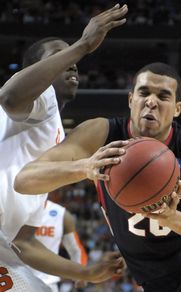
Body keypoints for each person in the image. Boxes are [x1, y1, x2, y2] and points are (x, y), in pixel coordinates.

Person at [15, 62, 181, 291]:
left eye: (163, 96)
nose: (151, 102)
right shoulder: (101, 134)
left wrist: (171, 218)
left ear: (177, 109)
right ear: (130, 99)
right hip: (151, 282)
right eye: (144, 92)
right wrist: (85, 167)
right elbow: (24, 180)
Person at [0, 4, 128, 290]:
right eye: (57, 56)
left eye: (72, 58)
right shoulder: (42, 99)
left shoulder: (53, 136)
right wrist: (82, 45)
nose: (71, 63)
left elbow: (25, 242)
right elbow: (9, 97)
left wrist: (87, 273)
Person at [31, 199, 88, 292]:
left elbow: (76, 249)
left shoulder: (61, 214)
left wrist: (81, 273)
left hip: (47, 284)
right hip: (14, 280)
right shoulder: (13, 208)